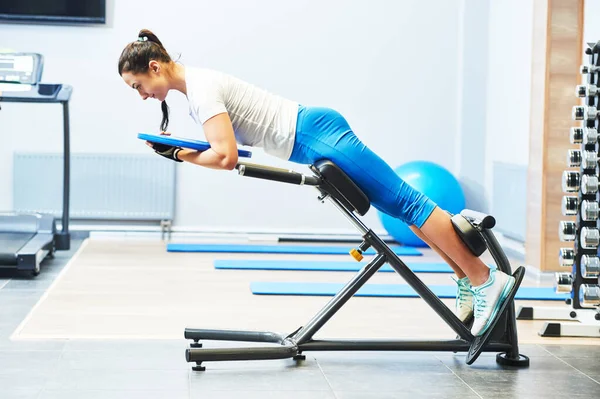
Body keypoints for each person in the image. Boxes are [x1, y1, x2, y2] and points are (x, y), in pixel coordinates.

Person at [118, 29, 520, 337]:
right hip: (310, 138)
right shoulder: (196, 90)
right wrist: (182, 150)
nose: (140, 96)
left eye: (137, 86)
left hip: (315, 134)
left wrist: (180, 155)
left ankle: (485, 278)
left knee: (406, 201)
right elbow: (223, 148)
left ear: (154, 68)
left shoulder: (201, 91)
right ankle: (468, 279)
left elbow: (226, 156)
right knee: (398, 207)